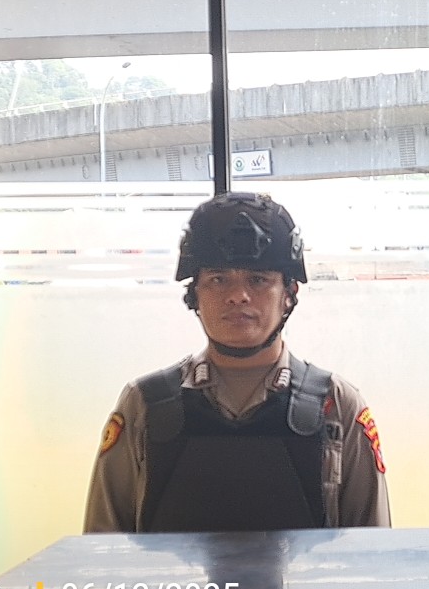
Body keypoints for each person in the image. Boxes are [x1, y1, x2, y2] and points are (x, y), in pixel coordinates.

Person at [84, 191, 391, 533]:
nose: (237, 296)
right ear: (194, 294)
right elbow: (102, 546)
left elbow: (372, 550)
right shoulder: (144, 405)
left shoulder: (336, 406)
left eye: (258, 280)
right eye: (218, 279)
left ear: (289, 294)